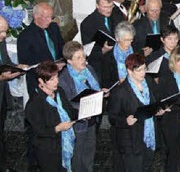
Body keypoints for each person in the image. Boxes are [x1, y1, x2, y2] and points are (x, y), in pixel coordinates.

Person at [109, 53, 166, 171]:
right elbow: (112, 117)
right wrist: (125, 121)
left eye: (144, 69)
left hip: (149, 136)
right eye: (139, 70)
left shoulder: (149, 82)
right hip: (131, 140)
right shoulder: (120, 91)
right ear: (129, 71)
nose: (143, 73)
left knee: (146, 166)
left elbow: (156, 101)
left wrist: (159, 111)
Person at [57, 41, 103, 172]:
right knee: (77, 155)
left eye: (83, 56)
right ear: (69, 61)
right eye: (78, 58)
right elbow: (65, 105)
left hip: (92, 120)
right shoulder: (64, 79)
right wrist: (81, 112)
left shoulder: (89, 70)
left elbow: (95, 88)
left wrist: (102, 92)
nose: (83, 60)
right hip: (77, 124)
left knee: (89, 152)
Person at [25, 61, 77, 172]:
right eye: (52, 79)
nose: (57, 81)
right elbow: (39, 131)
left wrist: (83, 114)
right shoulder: (35, 103)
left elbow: (69, 111)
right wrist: (58, 128)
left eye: (57, 77)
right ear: (41, 81)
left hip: (64, 143)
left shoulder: (59, 92)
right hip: (47, 149)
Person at [17, 2, 64, 94]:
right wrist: (50, 68)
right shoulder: (25, 36)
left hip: (58, 76)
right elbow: (26, 64)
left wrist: (63, 62)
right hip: (39, 80)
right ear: (36, 16)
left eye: (51, 17)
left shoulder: (53, 28)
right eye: (46, 17)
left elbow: (61, 47)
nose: (49, 20)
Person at [0, 16, 27, 171]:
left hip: (2, 96)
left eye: (5, 31)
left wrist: (17, 68)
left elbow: (6, 62)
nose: (4, 35)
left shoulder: (1, 42)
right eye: (1, 32)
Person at [80, 0, 123, 88]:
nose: (109, 10)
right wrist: (103, 50)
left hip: (118, 64)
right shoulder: (87, 24)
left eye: (111, 6)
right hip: (102, 67)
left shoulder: (116, 15)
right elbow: (87, 52)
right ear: (97, 5)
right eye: (105, 7)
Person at [102, 22, 136, 86]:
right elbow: (106, 83)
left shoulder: (136, 51)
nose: (129, 44)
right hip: (119, 91)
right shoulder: (108, 58)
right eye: (126, 40)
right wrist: (119, 82)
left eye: (131, 40)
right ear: (117, 38)